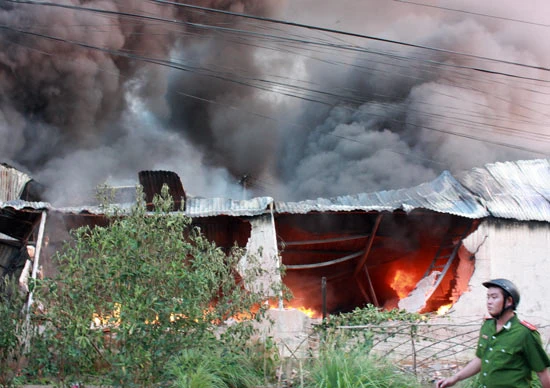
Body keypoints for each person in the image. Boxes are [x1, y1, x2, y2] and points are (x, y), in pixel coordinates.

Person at [436, 278, 550, 388]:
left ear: (509, 301)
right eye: (488, 297)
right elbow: (480, 359)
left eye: (494, 297)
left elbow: (542, 372)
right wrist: (455, 378)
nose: (489, 302)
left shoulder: (524, 333)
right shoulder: (487, 327)